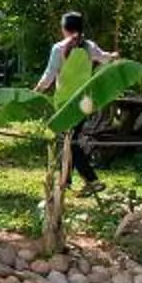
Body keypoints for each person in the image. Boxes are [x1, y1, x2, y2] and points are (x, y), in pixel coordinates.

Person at [37, 11, 116, 186]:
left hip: (65, 102)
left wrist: (37, 90)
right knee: (70, 140)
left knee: (70, 142)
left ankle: (91, 180)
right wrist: (113, 56)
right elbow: (105, 59)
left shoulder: (58, 48)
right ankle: (66, 180)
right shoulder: (90, 47)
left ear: (64, 29)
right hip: (83, 102)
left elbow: (49, 76)